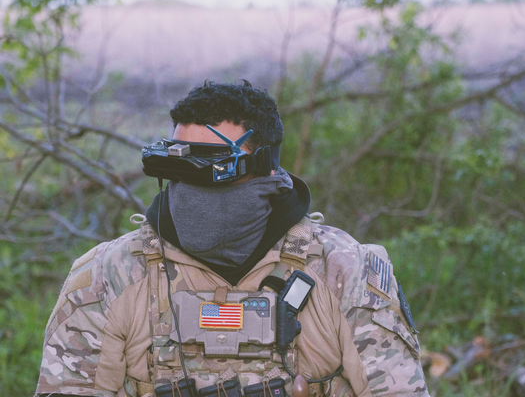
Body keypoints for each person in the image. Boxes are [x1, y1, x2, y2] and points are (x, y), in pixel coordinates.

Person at [35, 81, 430, 397]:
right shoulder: (111, 275)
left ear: (264, 170)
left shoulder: (343, 271)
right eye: (179, 166)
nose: (190, 188)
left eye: (208, 168)